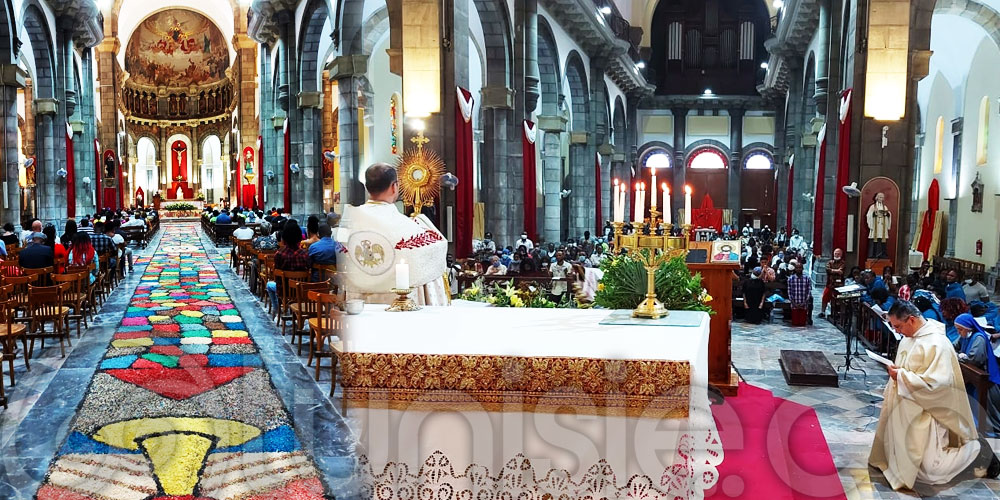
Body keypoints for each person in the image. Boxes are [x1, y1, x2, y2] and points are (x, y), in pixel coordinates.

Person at [870, 301, 1000, 490]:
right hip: (905, 404)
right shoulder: (909, 337)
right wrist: (898, 372)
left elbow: (938, 385)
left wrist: (902, 375)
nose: (897, 331)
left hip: (927, 411)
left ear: (912, 320)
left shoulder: (937, 344)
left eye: (898, 326)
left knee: (930, 472)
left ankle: (977, 450)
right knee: (897, 451)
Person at [339, 163, 448, 305]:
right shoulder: (407, 226)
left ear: (367, 187)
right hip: (399, 306)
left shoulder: (350, 220)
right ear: (394, 186)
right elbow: (435, 250)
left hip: (359, 307)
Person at [953, 313, 1000, 435]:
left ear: (968, 328)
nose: (959, 332)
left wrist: (960, 356)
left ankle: (990, 432)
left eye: (960, 329)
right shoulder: (965, 335)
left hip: (984, 379)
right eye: (957, 329)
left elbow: (974, 359)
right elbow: (954, 346)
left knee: (988, 411)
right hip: (971, 378)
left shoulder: (978, 338)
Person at [266, 222, 312, 311]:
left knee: (269, 285)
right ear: (299, 237)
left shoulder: (279, 253)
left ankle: (277, 310)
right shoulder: (305, 254)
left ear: (284, 238)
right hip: (301, 290)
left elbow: (276, 274)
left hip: (284, 290)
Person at [820, 248, 846, 318]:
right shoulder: (830, 262)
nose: (836, 255)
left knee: (837, 300)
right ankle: (822, 312)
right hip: (829, 284)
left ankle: (836, 313)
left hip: (839, 286)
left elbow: (841, 271)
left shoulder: (843, 263)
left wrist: (833, 271)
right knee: (825, 297)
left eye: (838, 254)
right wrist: (836, 271)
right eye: (835, 253)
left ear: (841, 254)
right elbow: (828, 269)